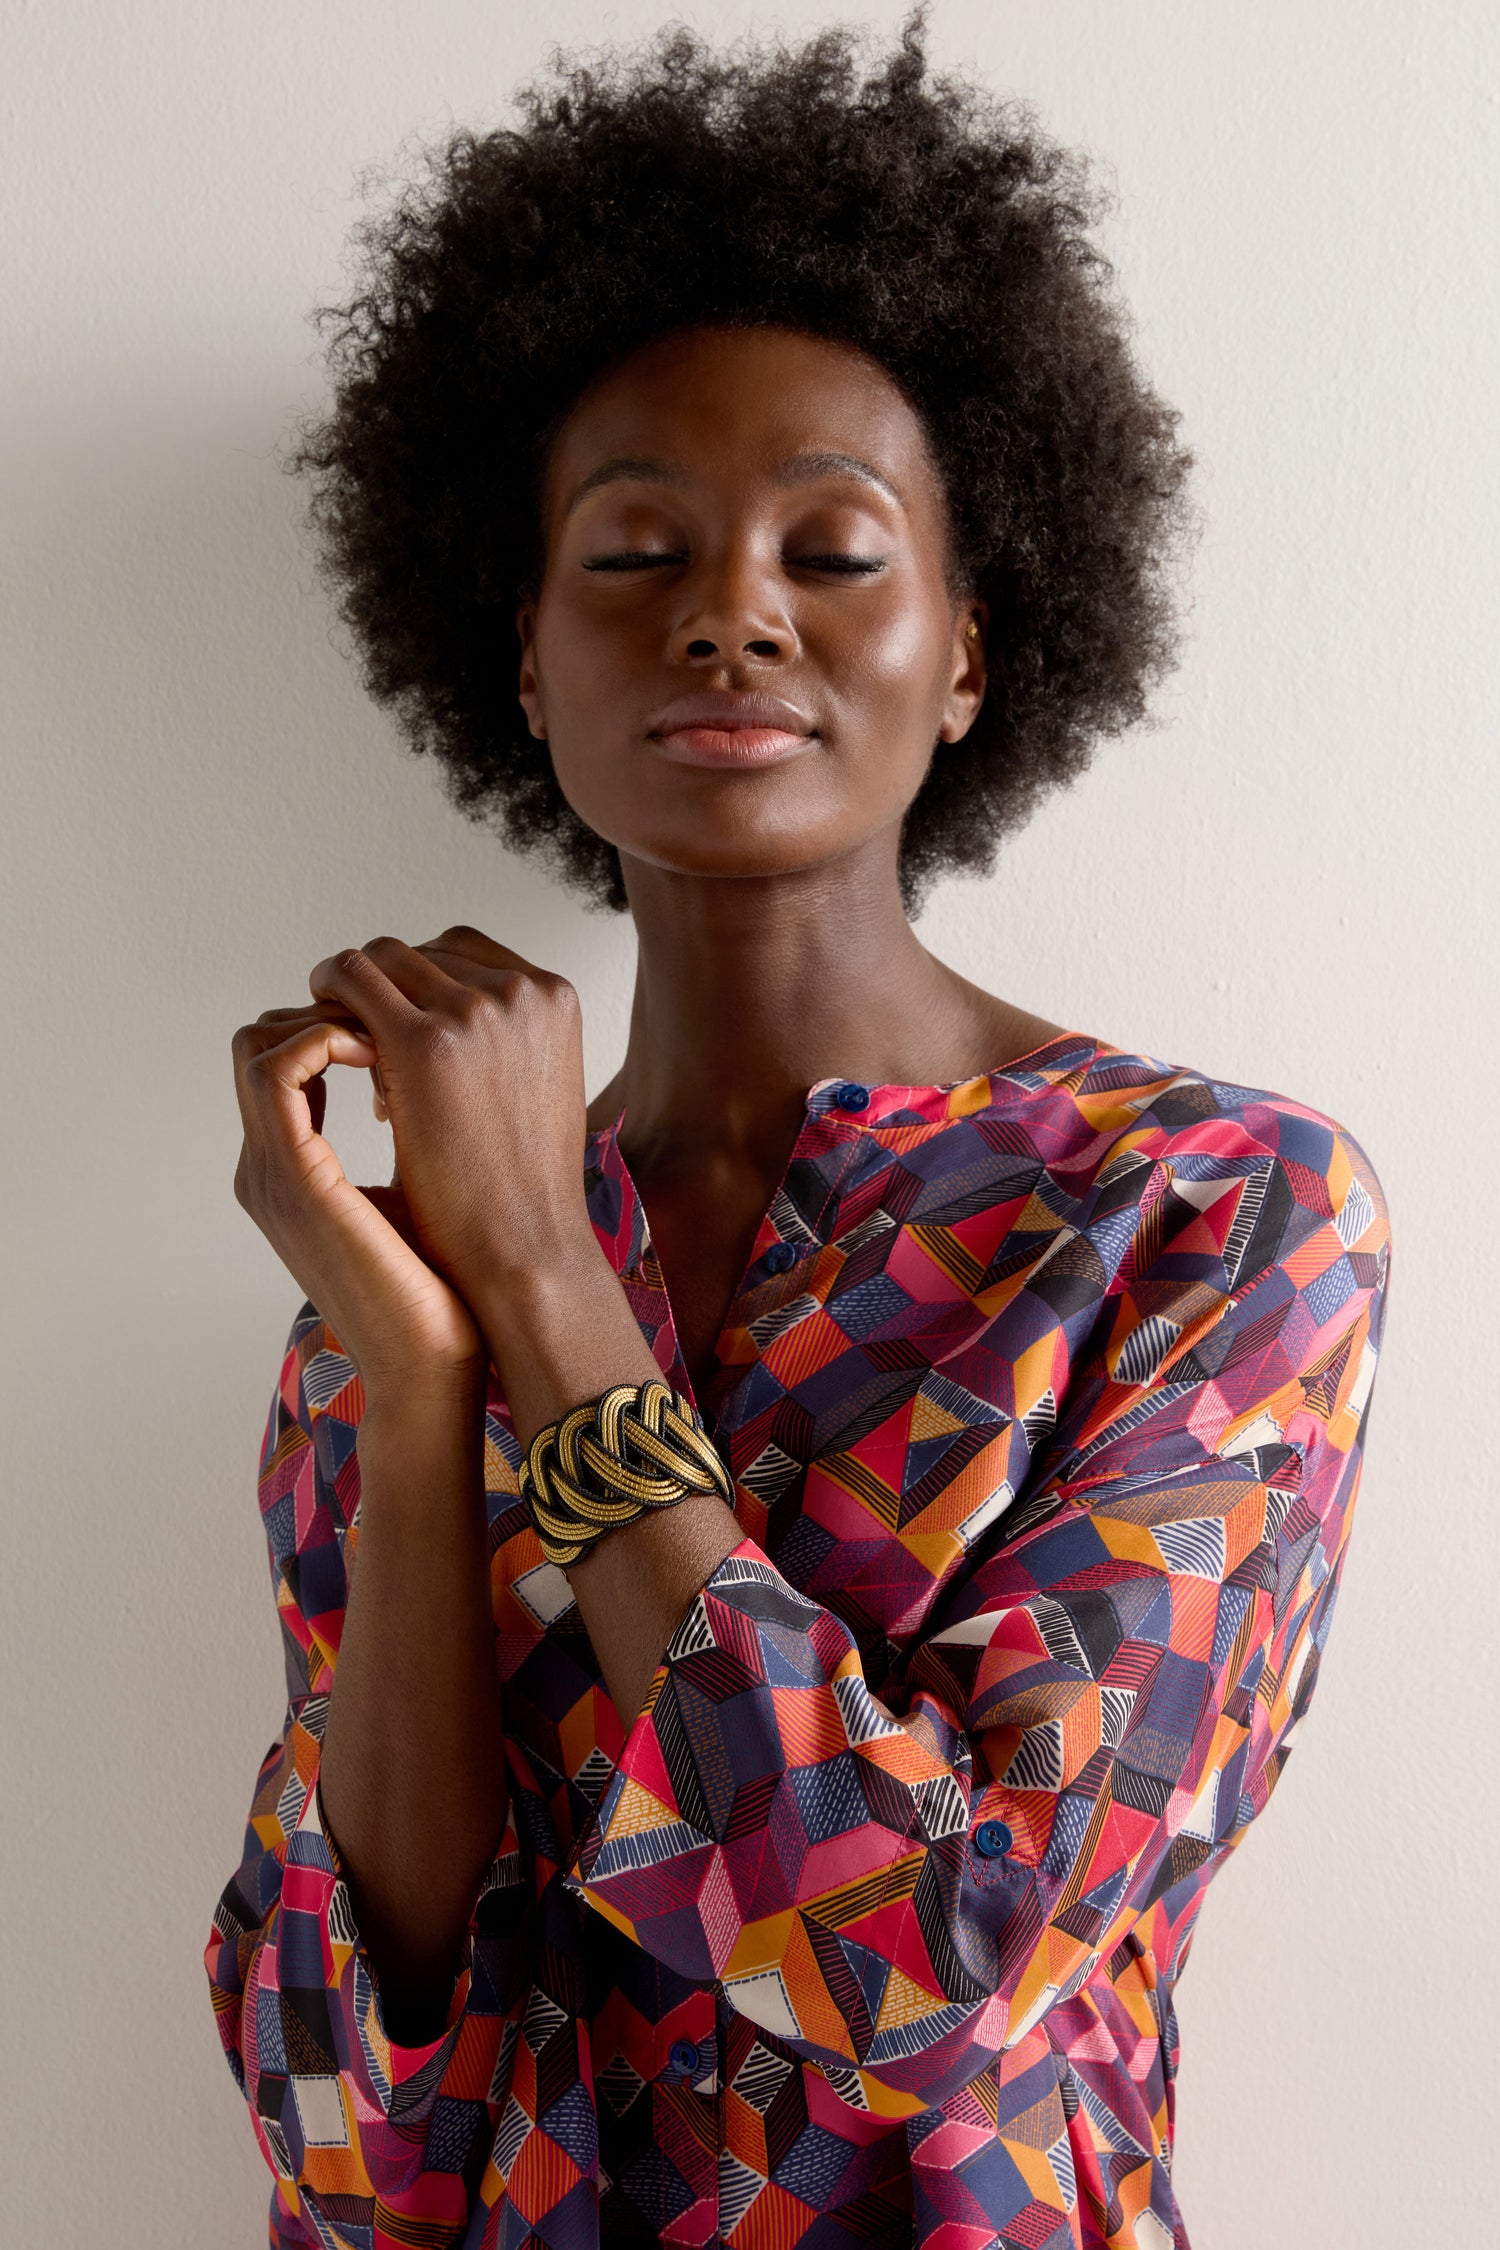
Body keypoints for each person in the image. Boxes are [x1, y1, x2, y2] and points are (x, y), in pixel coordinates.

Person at [206, 19, 1390, 2248]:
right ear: (528, 667)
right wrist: (424, 1369)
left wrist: (552, 1304)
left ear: (966, 653)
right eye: (634, 551)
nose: (733, 607)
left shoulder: (1206, 1216)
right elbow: (358, 2127)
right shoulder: (392, 1299)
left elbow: (935, 1973)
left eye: (833, 552)